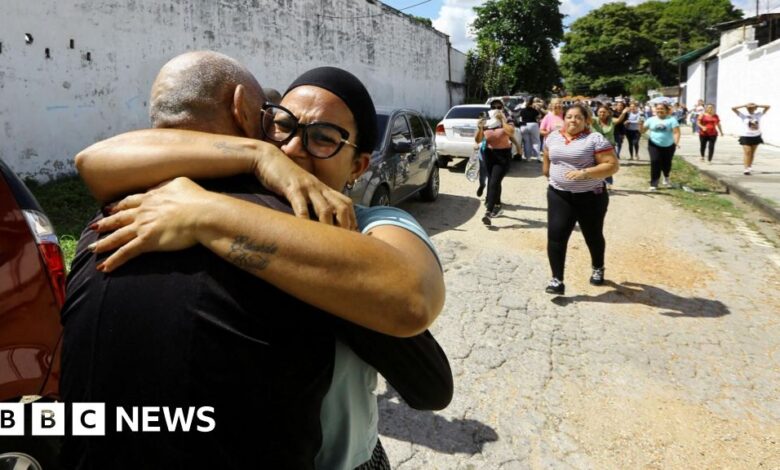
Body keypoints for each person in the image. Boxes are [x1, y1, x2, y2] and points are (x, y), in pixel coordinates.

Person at [66, 54, 451, 469]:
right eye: (283, 125)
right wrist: (253, 155)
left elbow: (411, 300)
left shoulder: (369, 226)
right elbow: (92, 160)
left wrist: (204, 212)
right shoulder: (177, 203)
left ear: (359, 165)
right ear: (257, 121)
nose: (291, 148)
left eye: (324, 137)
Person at [542, 103, 619, 295]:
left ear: (586, 121)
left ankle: (598, 267)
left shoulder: (595, 139)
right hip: (559, 195)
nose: (573, 120)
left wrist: (585, 173)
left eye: (578, 117)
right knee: (556, 237)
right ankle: (556, 280)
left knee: (592, 236)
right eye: (569, 116)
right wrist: (549, 173)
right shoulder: (553, 136)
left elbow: (612, 166)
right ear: (563, 118)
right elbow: (547, 156)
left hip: (591, 197)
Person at [476, 107, 514, 225]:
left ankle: (488, 212)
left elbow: (511, 132)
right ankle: (497, 205)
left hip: (503, 157)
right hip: (489, 156)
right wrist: (480, 127)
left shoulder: (506, 123)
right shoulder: (487, 124)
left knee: (493, 182)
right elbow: (478, 140)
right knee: (494, 182)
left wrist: (502, 120)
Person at [642, 102, 680, 191]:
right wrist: (640, 126)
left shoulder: (672, 120)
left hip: (669, 145)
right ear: (655, 110)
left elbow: (676, 132)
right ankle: (654, 184)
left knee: (667, 163)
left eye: (662, 109)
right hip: (654, 144)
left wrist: (676, 142)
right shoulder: (651, 119)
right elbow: (643, 131)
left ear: (666, 110)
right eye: (658, 109)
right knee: (655, 162)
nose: (659, 110)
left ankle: (666, 177)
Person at [591, 104, 626, 189]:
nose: (602, 114)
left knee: (608, 165)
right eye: (600, 112)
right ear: (597, 112)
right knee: (595, 165)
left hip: (609, 148)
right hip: (595, 147)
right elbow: (588, 118)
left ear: (608, 113)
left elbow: (618, 120)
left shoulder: (611, 121)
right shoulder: (594, 120)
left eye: (604, 112)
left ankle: (608, 182)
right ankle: (596, 182)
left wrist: (623, 113)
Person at [732, 102, 771, 175]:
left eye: (752, 107)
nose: (750, 108)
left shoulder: (758, 115)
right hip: (746, 136)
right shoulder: (743, 116)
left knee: (752, 153)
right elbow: (733, 108)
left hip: (756, 136)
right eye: (748, 108)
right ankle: (746, 168)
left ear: (755, 108)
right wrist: (744, 105)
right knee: (747, 152)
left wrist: (758, 105)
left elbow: (768, 107)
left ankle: (749, 166)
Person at [518, 95, 542, 161]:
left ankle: (528, 158)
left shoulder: (522, 110)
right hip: (533, 125)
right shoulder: (534, 110)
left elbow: (519, 117)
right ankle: (538, 157)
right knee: (536, 141)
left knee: (526, 142)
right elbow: (539, 117)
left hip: (523, 126)